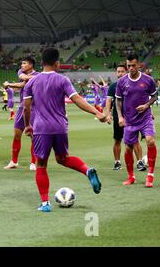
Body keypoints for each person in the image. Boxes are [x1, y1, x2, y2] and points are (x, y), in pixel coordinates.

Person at [23, 48, 106, 212]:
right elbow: (76, 99)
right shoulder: (63, 80)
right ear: (57, 63)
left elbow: (26, 107)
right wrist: (97, 112)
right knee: (63, 158)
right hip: (60, 127)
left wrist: (27, 125)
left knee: (41, 164)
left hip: (41, 128)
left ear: (42, 62)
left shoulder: (32, 81)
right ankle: (87, 170)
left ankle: (45, 203)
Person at [115, 53, 158, 187]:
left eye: (133, 65)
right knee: (128, 148)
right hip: (130, 120)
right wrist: (120, 116)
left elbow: (154, 96)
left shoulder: (148, 80)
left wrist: (146, 105)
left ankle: (150, 175)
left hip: (145, 118)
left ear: (139, 65)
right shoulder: (122, 82)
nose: (131, 68)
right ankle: (131, 177)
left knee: (150, 141)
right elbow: (118, 100)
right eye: (129, 66)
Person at [104, 65, 143, 171]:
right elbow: (108, 101)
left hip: (132, 117)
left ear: (126, 72)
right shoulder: (113, 86)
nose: (120, 73)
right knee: (117, 140)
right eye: (118, 71)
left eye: (122, 71)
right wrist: (108, 114)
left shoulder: (133, 84)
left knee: (135, 140)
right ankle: (117, 162)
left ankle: (139, 162)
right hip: (118, 117)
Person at [3, 56, 39, 171]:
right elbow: (22, 80)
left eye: (24, 63)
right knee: (17, 135)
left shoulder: (38, 74)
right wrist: (31, 78)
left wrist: (9, 84)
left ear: (31, 65)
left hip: (34, 108)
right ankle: (14, 161)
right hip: (22, 107)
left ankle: (33, 162)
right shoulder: (22, 72)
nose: (22, 65)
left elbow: (23, 84)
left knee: (33, 136)